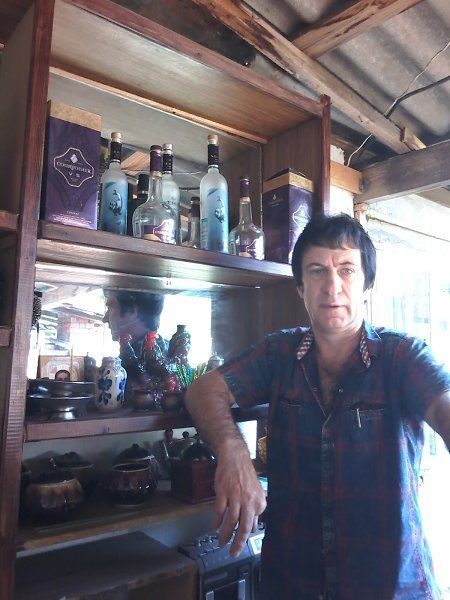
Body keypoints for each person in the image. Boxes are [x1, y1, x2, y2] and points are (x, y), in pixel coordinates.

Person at [184, 213, 450, 600]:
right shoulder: (279, 353)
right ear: (300, 287)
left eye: (347, 270)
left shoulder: (402, 356)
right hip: (292, 584)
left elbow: (444, 406)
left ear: (367, 285)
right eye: (317, 271)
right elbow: (203, 390)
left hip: (391, 587)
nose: (332, 286)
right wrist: (233, 451)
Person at [103, 289, 166, 393]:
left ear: (133, 311)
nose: (105, 318)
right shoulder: (159, 350)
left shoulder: (151, 360)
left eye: (111, 307)